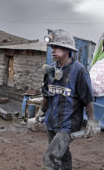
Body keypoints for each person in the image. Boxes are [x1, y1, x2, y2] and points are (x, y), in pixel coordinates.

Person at [36, 29, 99, 170]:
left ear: (68, 50)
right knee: (62, 154)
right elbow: (47, 94)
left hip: (68, 123)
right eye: (52, 47)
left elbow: (88, 100)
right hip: (51, 121)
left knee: (51, 157)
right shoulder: (51, 69)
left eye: (57, 47)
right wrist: (41, 112)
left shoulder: (79, 71)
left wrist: (91, 122)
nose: (53, 50)